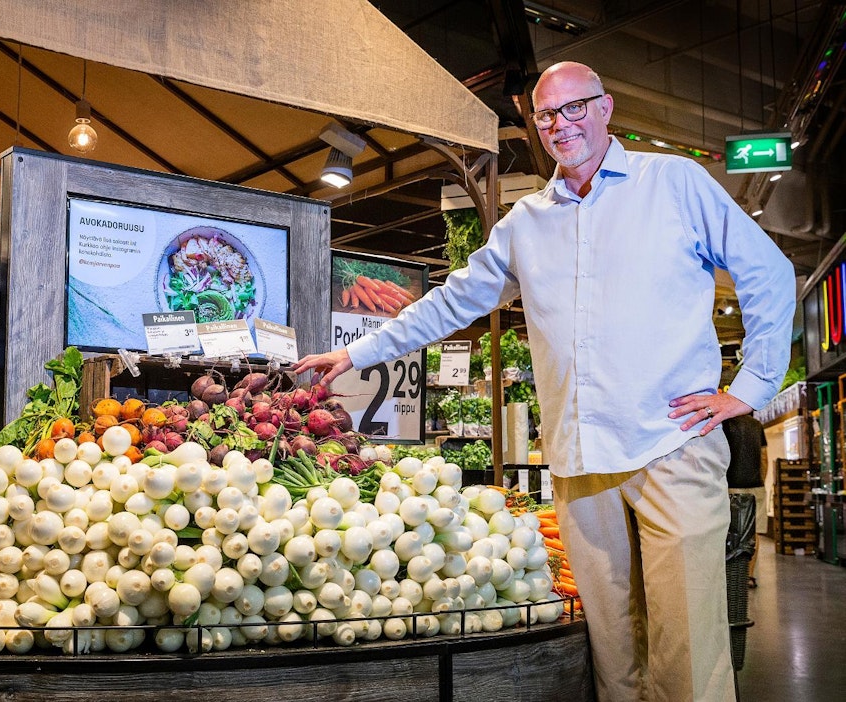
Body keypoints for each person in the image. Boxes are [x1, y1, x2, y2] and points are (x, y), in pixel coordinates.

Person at [294, 61, 795, 701]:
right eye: (548, 114)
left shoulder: (671, 182)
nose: (562, 124)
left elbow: (769, 274)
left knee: (689, 649)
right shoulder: (526, 221)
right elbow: (452, 301)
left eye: (575, 107)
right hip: (579, 459)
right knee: (613, 650)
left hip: (672, 443)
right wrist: (360, 353)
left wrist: (750, 389)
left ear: (607, 107)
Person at [723, 412, 767, 587]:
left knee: (727, 532)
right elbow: (764, 457)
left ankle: (729, 575)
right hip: (756, 485)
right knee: (754, 533)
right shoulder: (757, 426)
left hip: (729, 486)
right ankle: (748, 576)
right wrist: (761, 479)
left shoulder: (725, 424)